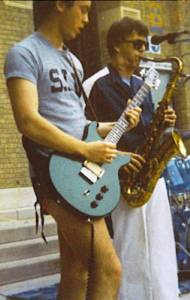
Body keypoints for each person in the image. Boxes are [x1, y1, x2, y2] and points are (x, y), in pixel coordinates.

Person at [4, 3, 142, 300]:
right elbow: (27, 120)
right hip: (53, 172)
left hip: (79, 173)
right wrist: (85, 149)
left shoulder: (74, 63)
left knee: (77, 268)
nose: (87, 19)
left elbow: (80, 124)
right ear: (60, 4)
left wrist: (118, 124)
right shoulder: (25, 53)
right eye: (82, 9)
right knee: (109, 269)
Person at [85, 17, 180, 300]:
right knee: (130, 249)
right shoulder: (98, 85)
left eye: (145, 44)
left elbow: (147, 129)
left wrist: (164, 122)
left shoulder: (143, 84)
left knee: (161, 248)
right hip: (123, 179)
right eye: (137, 44)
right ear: (116, 45)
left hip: (152, 175)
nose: (142, 51)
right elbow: (90, 136)